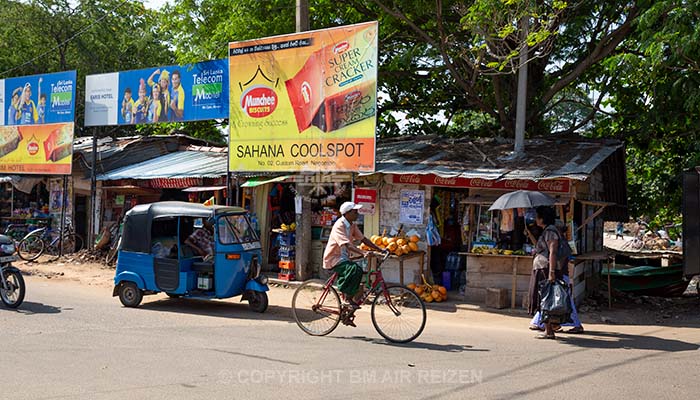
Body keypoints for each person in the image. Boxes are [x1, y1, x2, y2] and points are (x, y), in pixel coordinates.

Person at [322, 202, 384, 326]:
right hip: (334, 258)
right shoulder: (339, 225)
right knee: (354, 269)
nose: (357, 213)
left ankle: (348, 307)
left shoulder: (352, 225)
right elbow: (346, 244)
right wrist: (362, 252)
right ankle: (347, 297)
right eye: (355, 212)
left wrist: (379, 249)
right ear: (347, 213)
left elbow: (363, 239)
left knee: (359, 271)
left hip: (345, 257)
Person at [529, 220, 584, 334]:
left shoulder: (555, 239)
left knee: (556, 299)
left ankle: (555, 325)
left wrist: (552, 272)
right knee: (552, 298)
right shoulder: (561, 242)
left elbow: (555, 255)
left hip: (559, 273)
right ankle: (542, 323)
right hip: (560, 273)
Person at [527, 206, 565, 340]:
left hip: (545, 269)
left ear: (542, 218)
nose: (535, 219)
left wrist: (552, 272)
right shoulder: (546, 231)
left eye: (537, 216)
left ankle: (549, 330)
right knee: (543, 299)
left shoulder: (550, 232)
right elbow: (540, 247)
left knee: (546, 300)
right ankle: (549, 328)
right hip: (541, 267)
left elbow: (553, 252)